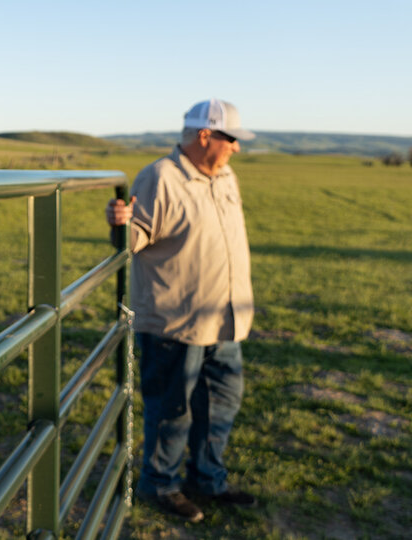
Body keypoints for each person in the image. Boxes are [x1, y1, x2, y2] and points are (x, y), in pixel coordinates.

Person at [105, 98, 256, 523]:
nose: (236, 148)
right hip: (175, 321)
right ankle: (161, 484)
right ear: (204, 135)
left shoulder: (226, 177)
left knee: (222, 402)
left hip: (225, 320)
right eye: (231, 139)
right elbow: (134, 240)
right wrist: (119, 223)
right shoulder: (160, 177)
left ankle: (207, 479)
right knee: (172, 408)